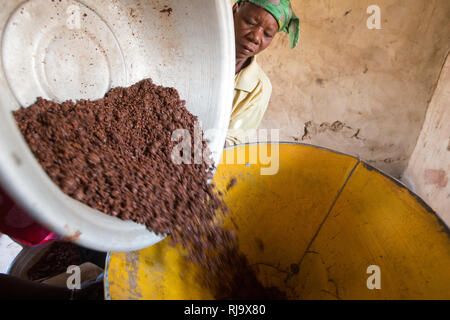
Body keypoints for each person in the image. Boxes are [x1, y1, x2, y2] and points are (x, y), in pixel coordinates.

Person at [226, 0, 300, 146]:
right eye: (250, 22)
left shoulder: (259, 88)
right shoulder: (186, 49)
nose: (255, 37)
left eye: (267, 34)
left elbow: (232, 141)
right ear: (235, 9)